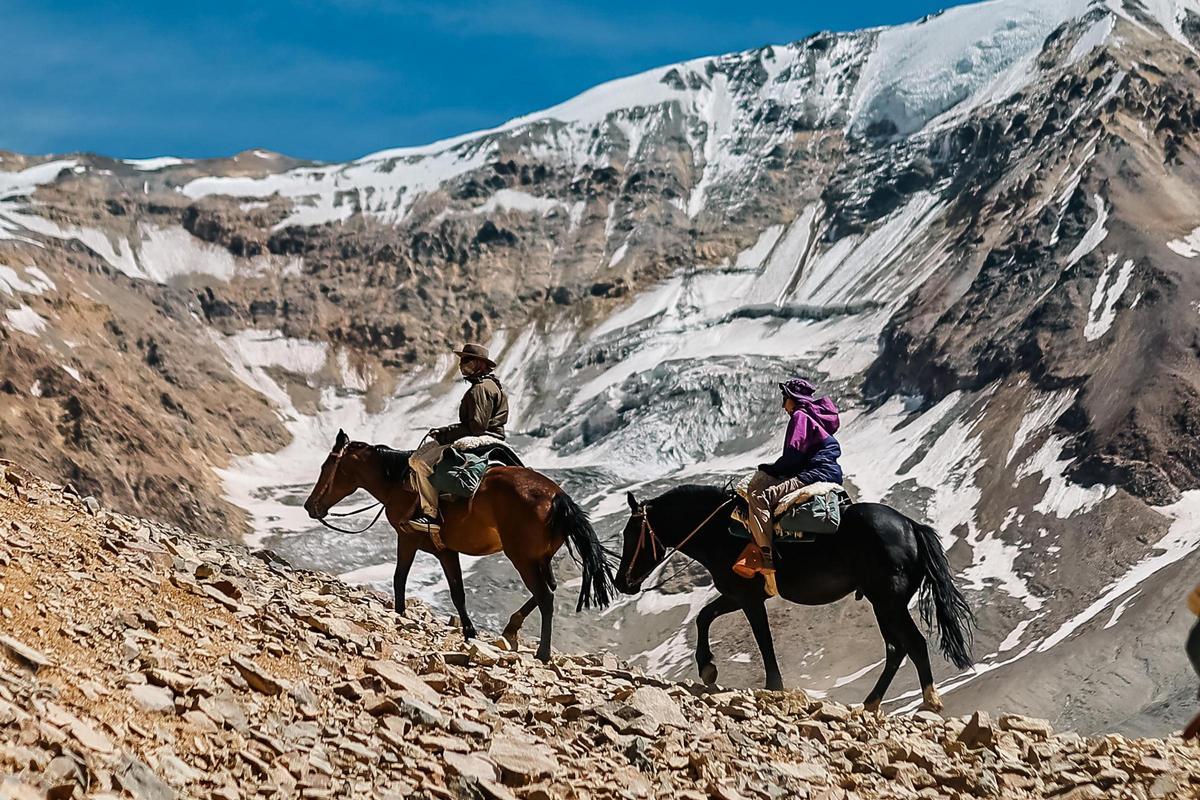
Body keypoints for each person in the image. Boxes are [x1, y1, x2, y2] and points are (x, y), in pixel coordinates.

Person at [407, 343, 509, 538]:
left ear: (480, 364)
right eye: (461, 361)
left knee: (418, 461)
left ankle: (431, 515)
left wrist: (445, 433)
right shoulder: (490, 385)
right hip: (491, 435)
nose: (462, 365)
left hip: (481, 437)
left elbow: (477, 427)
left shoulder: (480, 389)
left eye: (467, 360)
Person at [743, 378, 843, 576]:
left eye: (785, 398)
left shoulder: (800, 416)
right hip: (829, 471)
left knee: (759, 496)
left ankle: (766, 556)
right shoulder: (815, 417)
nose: (783, 405)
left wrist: (770, 469)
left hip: (815, 472)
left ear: (793, 398)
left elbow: (793, 456)